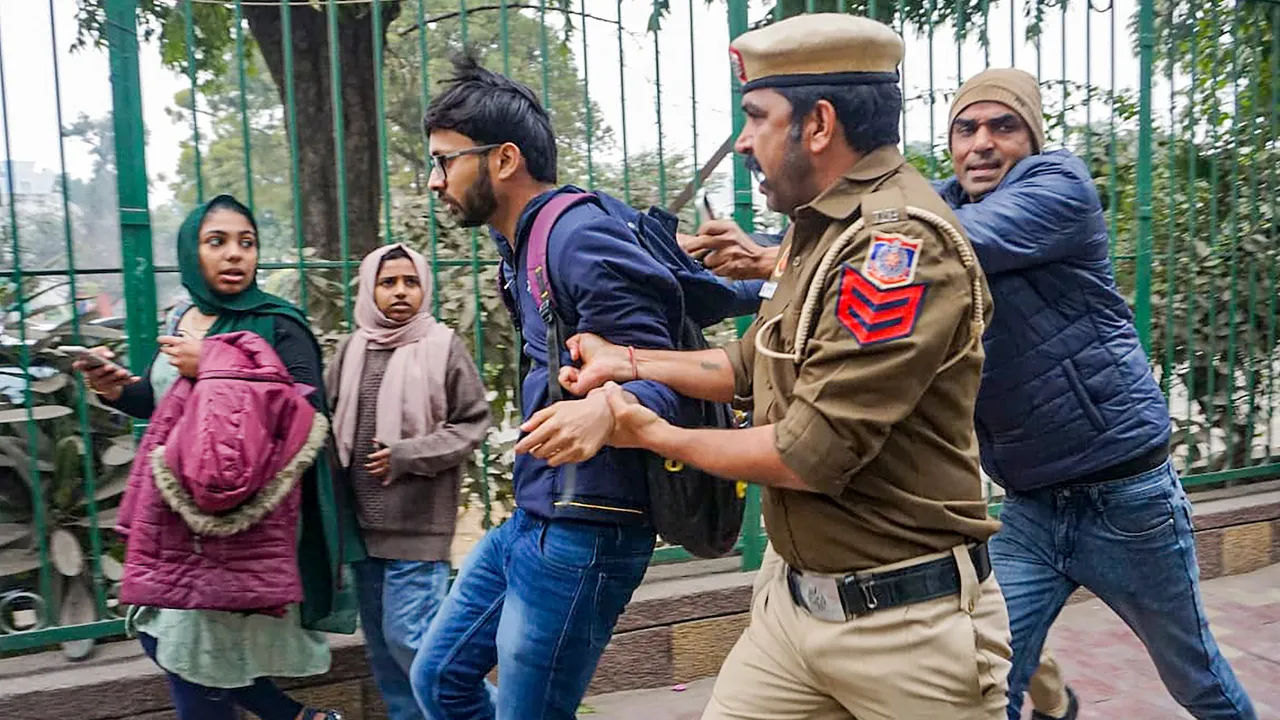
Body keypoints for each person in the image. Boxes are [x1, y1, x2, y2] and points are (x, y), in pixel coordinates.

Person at [548, 14, 1012, 718]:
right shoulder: (822, 225)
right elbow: (754, 360)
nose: (743, 142)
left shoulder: (898, 251)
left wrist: (646, 432)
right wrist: (630, 359)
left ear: (819, 124)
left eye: (757, 118)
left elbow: (809, 454)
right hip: (792, 614)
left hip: (903, 633)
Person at [933, 68, 1255, 720]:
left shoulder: (1058, 187)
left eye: (1004, 126)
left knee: (1195, 678)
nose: (982, 143)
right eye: (967, 128)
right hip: (1030, 508)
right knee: (983, 683)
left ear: (1033, 137)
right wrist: (725, 261)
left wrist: (796, 252)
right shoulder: (932, 212)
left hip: (1126, 501)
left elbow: (941, 244)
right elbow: (844, 255)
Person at [408, 51, 682, 720]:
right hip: (538, 514)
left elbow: (662, 371)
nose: (435, 182)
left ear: (503, 160)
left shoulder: (576, 237)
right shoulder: (524, 243)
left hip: (590, 531)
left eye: (445, 161)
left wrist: (610, 408)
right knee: (438, 679)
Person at [74, 194, 352, 720]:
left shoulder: (278, 323)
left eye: (246, 243)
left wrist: (216, 363)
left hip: (235, 525)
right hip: (174, 522)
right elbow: (171, 404)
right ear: (190, 252)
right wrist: (117, 391)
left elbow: (304, 412)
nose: (234, 255)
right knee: (173, 646)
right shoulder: (184, 317)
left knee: (192, 661)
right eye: (216, 241)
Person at [327, 243, 491, 720]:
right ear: (369, 290)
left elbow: (473, 423)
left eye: (410, 281)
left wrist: (407, 455)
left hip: (418, 526)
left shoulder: (442, 346)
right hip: (361, 530)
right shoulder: (351, 348)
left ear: (425, 286)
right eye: (387, 282)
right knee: (385, 657)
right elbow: (327, 418)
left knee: (415, 642)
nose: (400, 291)